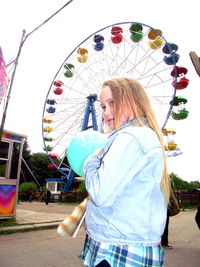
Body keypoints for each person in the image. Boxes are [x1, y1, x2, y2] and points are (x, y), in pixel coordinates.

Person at [81, 78, 171, 267]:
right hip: (125, 243)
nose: (106, 113)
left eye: (112, 103)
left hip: (118, 248)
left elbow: (99, 193)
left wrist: (90, 161)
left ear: (134, 100)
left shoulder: (131, 137)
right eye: (103, 106)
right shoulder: (141, 135)